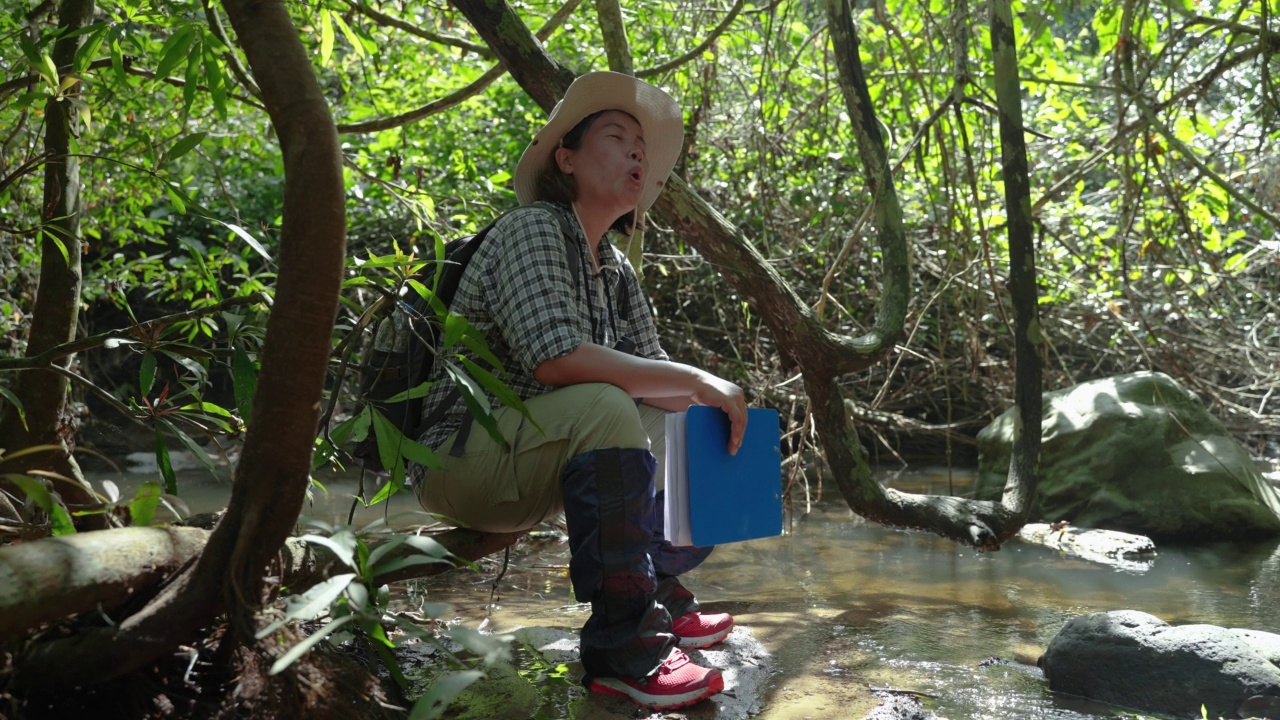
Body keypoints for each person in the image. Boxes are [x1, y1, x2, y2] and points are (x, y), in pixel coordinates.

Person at [409, 71, 748, 711]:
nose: (636, 155)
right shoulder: (533, 229)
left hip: (538, 452)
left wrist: (718, 409)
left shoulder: (613, 268)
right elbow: (557, 361)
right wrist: (697, 379)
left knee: (688, 421)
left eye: (641, 148)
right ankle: (625, 652)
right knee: (609, 403)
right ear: (565, 159)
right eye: (618, 138)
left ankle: (659, 592)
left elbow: (657, 383)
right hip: (462, 461)